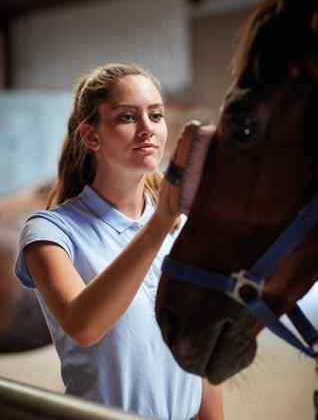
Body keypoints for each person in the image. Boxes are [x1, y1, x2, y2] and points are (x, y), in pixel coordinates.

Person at [15, 63, 224, 420]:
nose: (147, 129)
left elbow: (200, 352)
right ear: (91, 135)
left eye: (155, 115)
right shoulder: (50, 232)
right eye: (127, 117)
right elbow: (84, 326)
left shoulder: (181, 228)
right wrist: (161, 223)